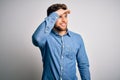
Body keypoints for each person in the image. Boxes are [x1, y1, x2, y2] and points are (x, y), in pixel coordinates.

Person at [32, 3, 91, 80]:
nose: (64, 20)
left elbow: (83, 65)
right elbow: (36, 39)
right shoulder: (45, 38)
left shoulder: (77, 38)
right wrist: (54, 15)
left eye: (65, 16)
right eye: (59, 17)